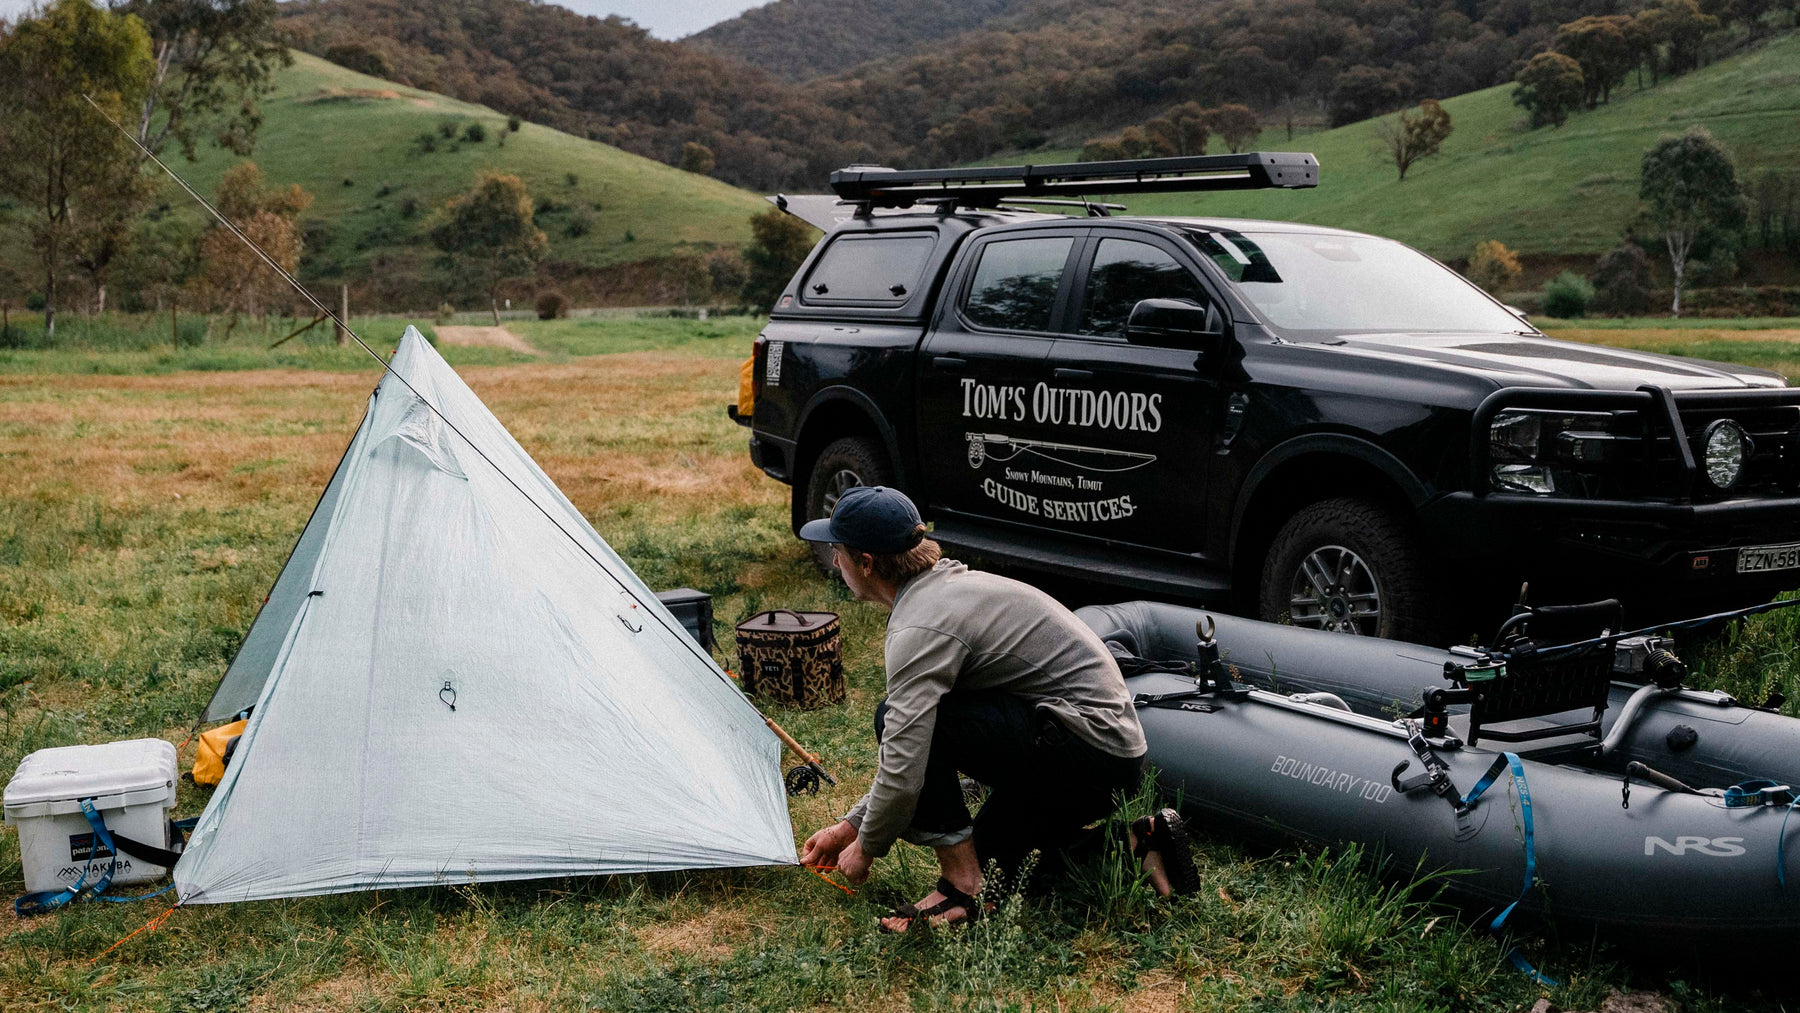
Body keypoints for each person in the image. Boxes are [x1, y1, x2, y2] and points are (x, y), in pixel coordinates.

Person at [795, 486, 1197, 930]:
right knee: (1007, 867)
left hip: (1083, 753)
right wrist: (848, 827)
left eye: (839, 551)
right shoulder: (945, 588)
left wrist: (866, 845)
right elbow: (916, 747)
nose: (835, 561)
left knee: (891, 716)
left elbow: (907, 758)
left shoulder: (921, 625)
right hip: (1102, 752)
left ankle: (960, 888)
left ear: (866, 563)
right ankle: (1138, 843)